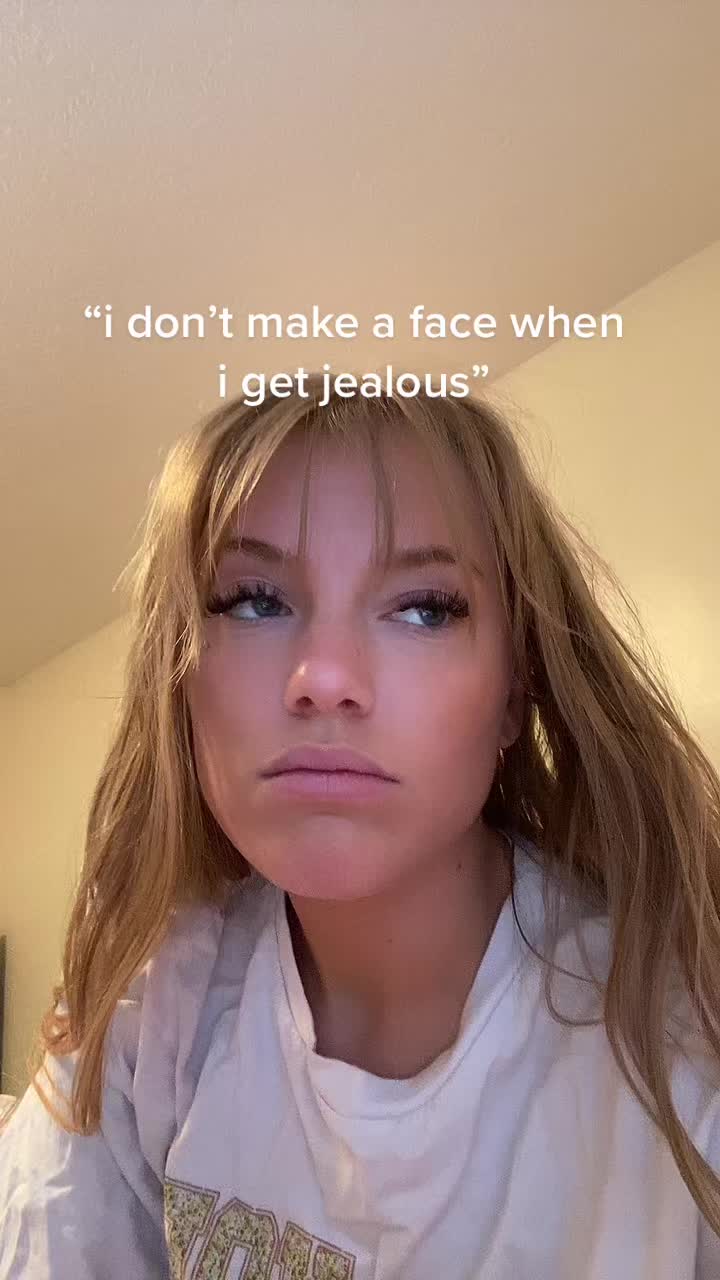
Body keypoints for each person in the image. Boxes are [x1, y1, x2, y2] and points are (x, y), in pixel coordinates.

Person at [1, 375, 719, 1279]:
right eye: (254, 600)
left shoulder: (683, 1027)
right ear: (177, 679)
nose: (324, 678)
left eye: (425, 607)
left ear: (514, 694)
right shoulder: (146, 1010)